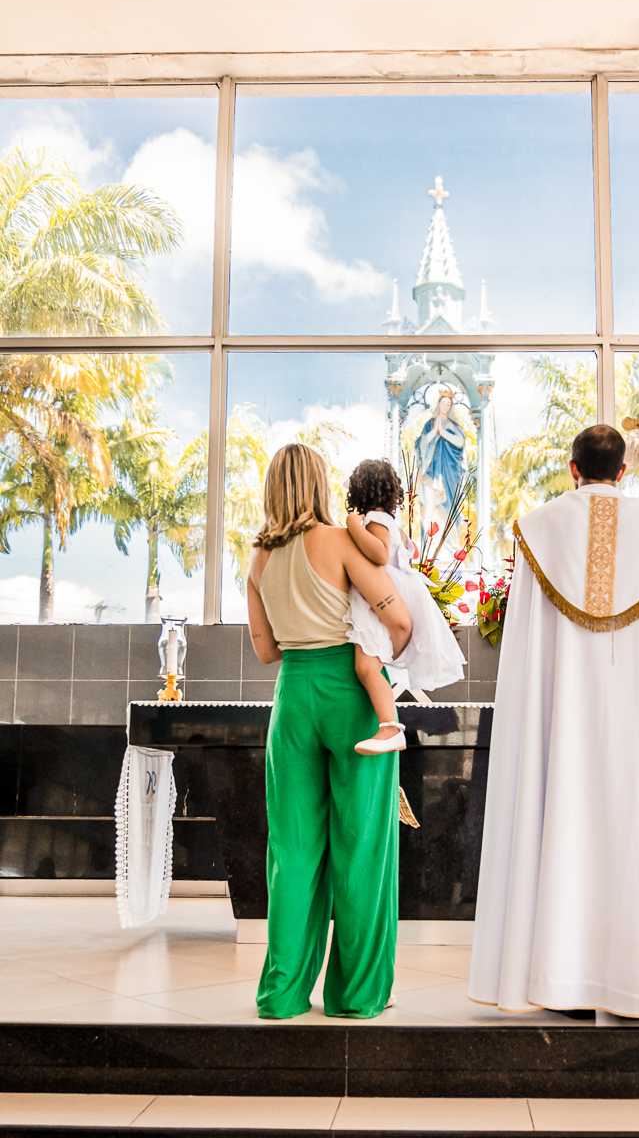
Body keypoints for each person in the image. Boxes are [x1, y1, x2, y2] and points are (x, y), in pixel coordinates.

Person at [469, 424, 639, 1022]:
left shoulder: (539, 530)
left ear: (573, 468)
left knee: (556, 811)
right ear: (624, 471)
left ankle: (555, 975)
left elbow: (527, 650)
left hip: (560, 723)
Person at [247, 443, 412, 1020]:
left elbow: (265, 650)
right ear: (319, 484)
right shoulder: (341, 541)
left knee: (290, 853)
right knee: (362, 845)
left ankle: (282, 994)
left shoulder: (258, 560)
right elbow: (397, 618)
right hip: (349, 694)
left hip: (292, 698)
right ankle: (357, 994)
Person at [343, 459, 466, 754]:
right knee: (371, 662)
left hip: (387, 593)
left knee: (365, 664)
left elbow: (381, 555)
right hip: (402, 593)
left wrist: (352, 526)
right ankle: (386, 725)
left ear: (361, 491)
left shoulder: (375, 520)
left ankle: (389, 726)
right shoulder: (389, 522)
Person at [415, 390, 466, 542]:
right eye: (443, 403)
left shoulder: (454, 425)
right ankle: (428, 542)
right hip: (432, 470)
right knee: (430, 504)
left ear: (451, 407)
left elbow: (460, 442)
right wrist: (435, 431)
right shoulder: (430, 424)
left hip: (450, 473)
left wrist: (443, 432)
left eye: (448, 404)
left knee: (449, 505)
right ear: (439, 404)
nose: (445, 406)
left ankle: (449, 545)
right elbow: (421, 444)